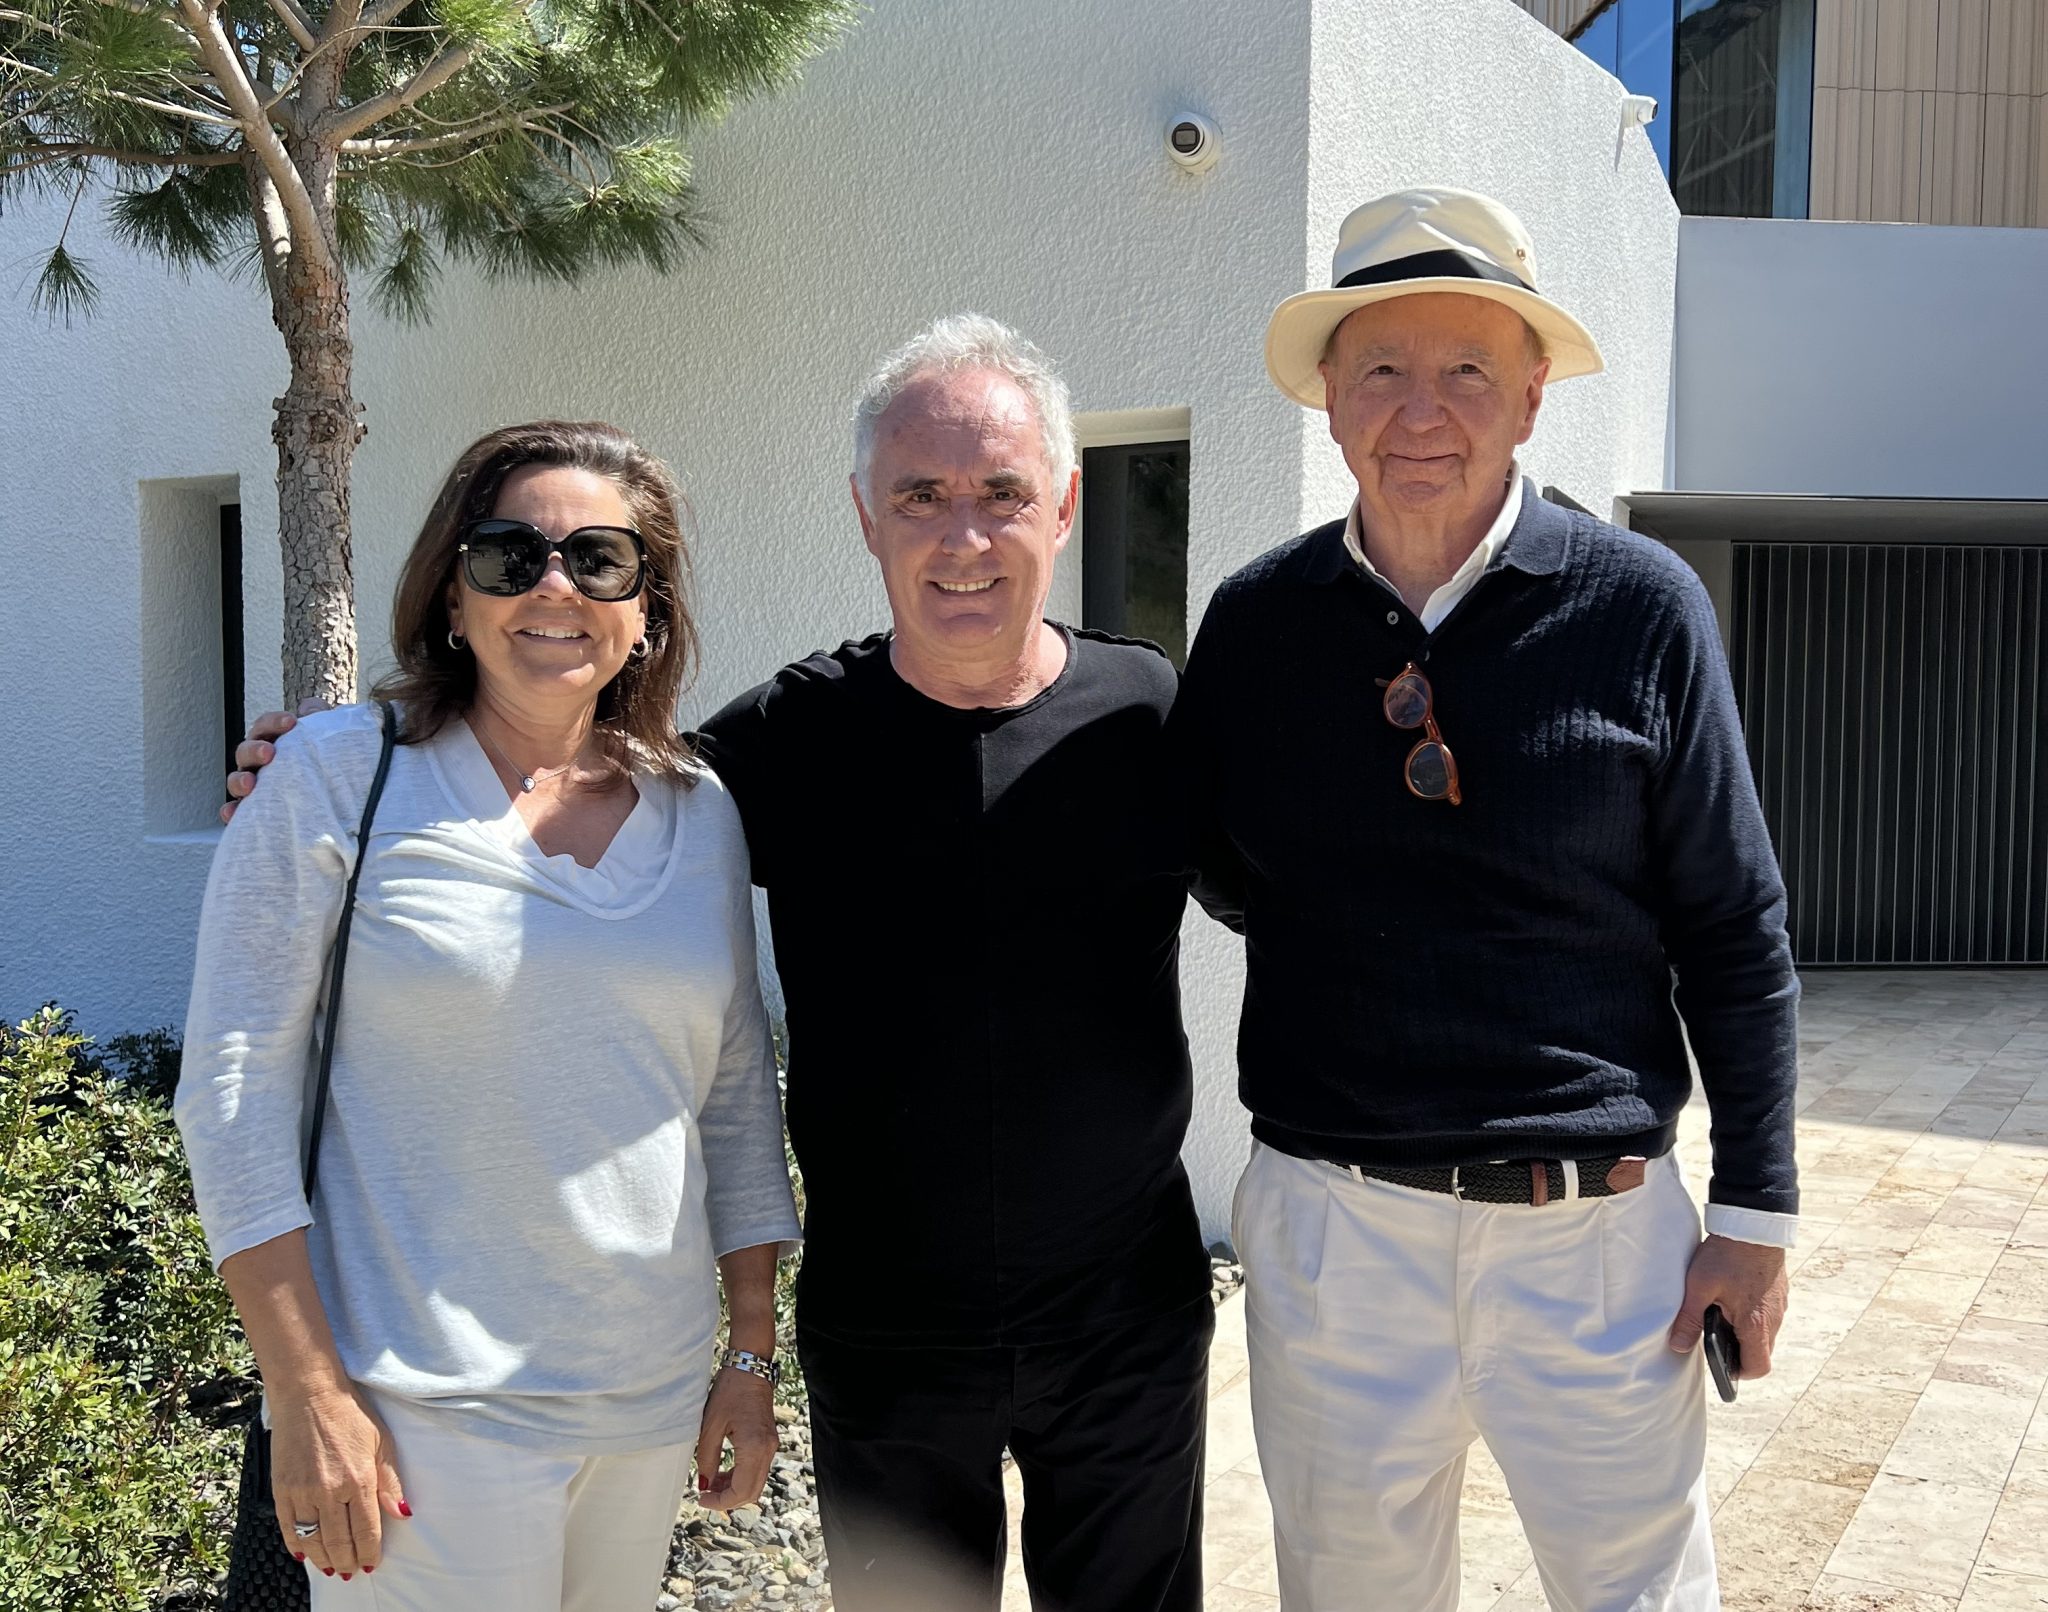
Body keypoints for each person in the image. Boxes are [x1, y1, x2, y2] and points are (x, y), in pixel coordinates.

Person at [225, 319, 1213, 1612]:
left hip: (1126, 1322)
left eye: (1002, 494)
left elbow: (1306, 869)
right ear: (865, 515)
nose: (963, 538)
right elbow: (566, 776)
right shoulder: (781, 746)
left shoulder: (1150, 715)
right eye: (920, 496)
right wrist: (355, 760)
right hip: (888, 1333)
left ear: (1068, 503)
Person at [1170, 188, 1799, 1612]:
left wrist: (1756, 1218)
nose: (1421, 411)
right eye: (1381, 369)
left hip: (1599, 1243)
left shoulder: (1640, 608)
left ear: (1528, 400)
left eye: (1467, 370)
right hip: (1338, 1233)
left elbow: (1731, 924)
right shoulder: (1259, 624)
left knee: (1639, 1596)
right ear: (1329, 401)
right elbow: (1215, 863)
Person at [178, 420, 800, 1612]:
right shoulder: (334, 775)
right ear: (451, 598)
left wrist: (747, 1352)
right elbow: (233, 1090)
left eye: (600, 560)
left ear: (647, 612)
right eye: (510, 555)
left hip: (644, 1401)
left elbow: (727, 1089)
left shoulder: (698, 811)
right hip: (416, 1411)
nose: (554, 586)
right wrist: (305, 1390)